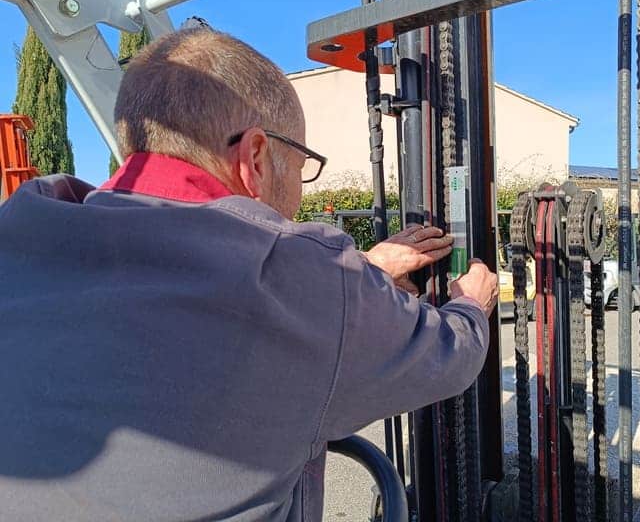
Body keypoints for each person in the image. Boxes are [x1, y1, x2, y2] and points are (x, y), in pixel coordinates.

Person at [0, 28, 498, 521]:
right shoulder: (304, 277)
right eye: (300, 165)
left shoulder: (23, 235)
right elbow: (446, 357)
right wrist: (470, 303)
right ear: (256, 158)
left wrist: (362, 271)